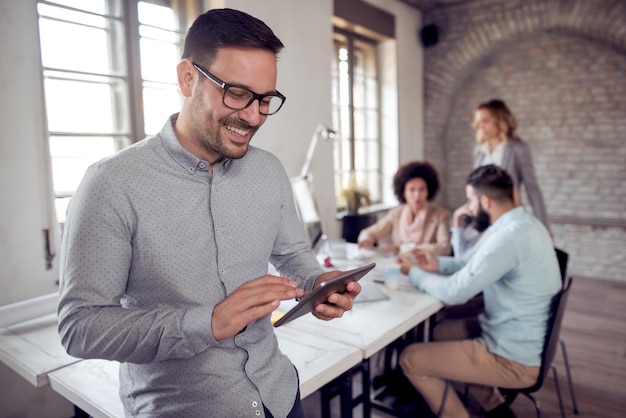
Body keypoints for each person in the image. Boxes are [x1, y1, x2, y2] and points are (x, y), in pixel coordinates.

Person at [57, 9, 360, 418]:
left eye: (265, 100)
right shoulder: (110, 184)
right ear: (187, 78)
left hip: (279, 394)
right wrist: (208, 322)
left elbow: (292, 256)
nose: (253, 116)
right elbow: (80, 328)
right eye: (236, 93)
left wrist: (322, 283)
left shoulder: (268, 171)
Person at [396, 164, 561, 418]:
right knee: (442, 332)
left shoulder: (507, 237)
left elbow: (454, 292)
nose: (469, 208)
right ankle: (493, 406)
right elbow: (473, 264)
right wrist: (436, 263)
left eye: (471, 200)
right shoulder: (525, 224)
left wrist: (414, 272)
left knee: (410, 358)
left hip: (512, 357)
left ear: (485, 201)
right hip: (521, 335)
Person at [473, 99, 549, 230]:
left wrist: (544, 228)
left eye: (486, 121)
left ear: (499, 121)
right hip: (483, 222)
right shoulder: (480, 152)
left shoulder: (518, 149)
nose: (481, 127)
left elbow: (533, 189)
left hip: (508, 219)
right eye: (478, 122)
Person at [357, 161, 451, 256]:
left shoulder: (440, 215)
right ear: (403, 192)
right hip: (400, 265)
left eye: (421, 189)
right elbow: (370, 232)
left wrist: (403, 249)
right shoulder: (396, 214)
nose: (417, 195)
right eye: (412, 190)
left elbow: (444, 247)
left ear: (428, 191)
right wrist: (366, 239)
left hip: (427, 268)